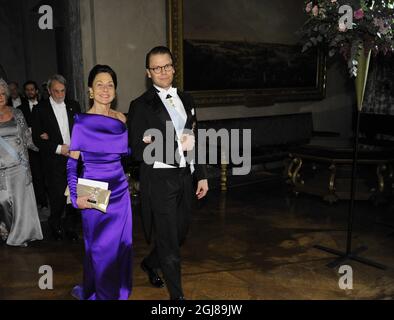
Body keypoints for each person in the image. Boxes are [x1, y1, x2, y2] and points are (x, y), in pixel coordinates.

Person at [127, 46, 209, 300]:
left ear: (174, 67)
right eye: (156, 68)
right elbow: (138, 150)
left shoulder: (187, 99)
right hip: (160, 180)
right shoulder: (140, 105)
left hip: (185, 176)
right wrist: (171, 144)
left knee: (179, 233)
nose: (163, 72)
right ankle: (178, 298)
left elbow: (194, 139)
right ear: (148, 73)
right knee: (170, 243)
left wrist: (201, 174)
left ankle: (151, 263)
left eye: (167, 66)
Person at [67, 65, 132, 300]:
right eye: (99, 84)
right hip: (94, 191)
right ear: (90, 90)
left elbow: (124, 154)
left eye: (110, 84)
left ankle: (118, 290)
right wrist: (76, 198)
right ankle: (102, 295)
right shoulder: (82, 122)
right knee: (99, 249)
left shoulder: (121, 119)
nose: (105, 89)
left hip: (120, 193)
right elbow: (72, 164)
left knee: (121, 246)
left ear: (115, 90)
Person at [32, 75, 80, 241]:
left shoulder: (74, 106)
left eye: (63, 91)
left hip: (74, 158)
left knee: (73, 195)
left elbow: (81, 130)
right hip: (54, 161)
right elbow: (37, 139)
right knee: (58, 196)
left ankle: (71, 228)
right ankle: (55, 224)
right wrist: (59, 148)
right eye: (56, 91)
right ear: (49, 91)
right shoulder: (40, 109)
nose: (60, 95)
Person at [0, 78, 43, 247]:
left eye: (3, 93)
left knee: (20, 204)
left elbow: (26, 136)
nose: (1, 97)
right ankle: (7, 229)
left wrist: (42, 147)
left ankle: (20, 236)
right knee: (3, 201)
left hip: (19, 165)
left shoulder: (17, 113)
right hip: (1, 169)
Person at [18, 81, 48, 209]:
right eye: (27, 90)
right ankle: (42, 202)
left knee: (48, 173)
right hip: (30, 147)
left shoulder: (45, 106)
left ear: (36, 91)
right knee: (36, 175)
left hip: (46, 146)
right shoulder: (20, 109)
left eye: (32, 89)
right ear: (25, 92)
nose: (30, 92)